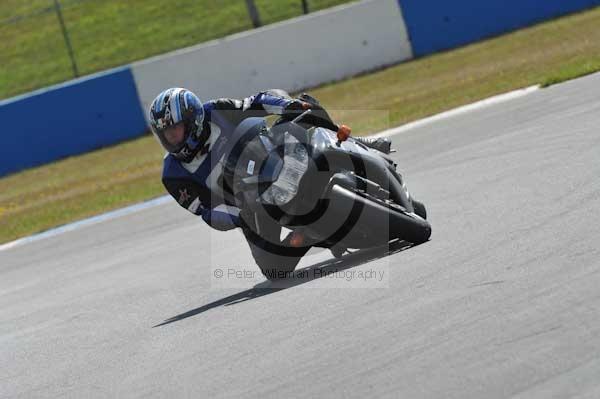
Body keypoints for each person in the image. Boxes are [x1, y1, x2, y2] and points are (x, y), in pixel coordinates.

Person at [149, 87, 390, 278]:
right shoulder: (173, 175)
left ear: (194, 120)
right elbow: (207, 211)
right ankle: (307, 233)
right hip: (250, 205)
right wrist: (239, 214)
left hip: (273, 156)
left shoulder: (216, 111)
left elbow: (256, 102)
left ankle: (355, 142)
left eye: (175, 131)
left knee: (304, 103)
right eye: (166, 135)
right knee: (273, 268)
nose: (172, 140)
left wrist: (288, 105)